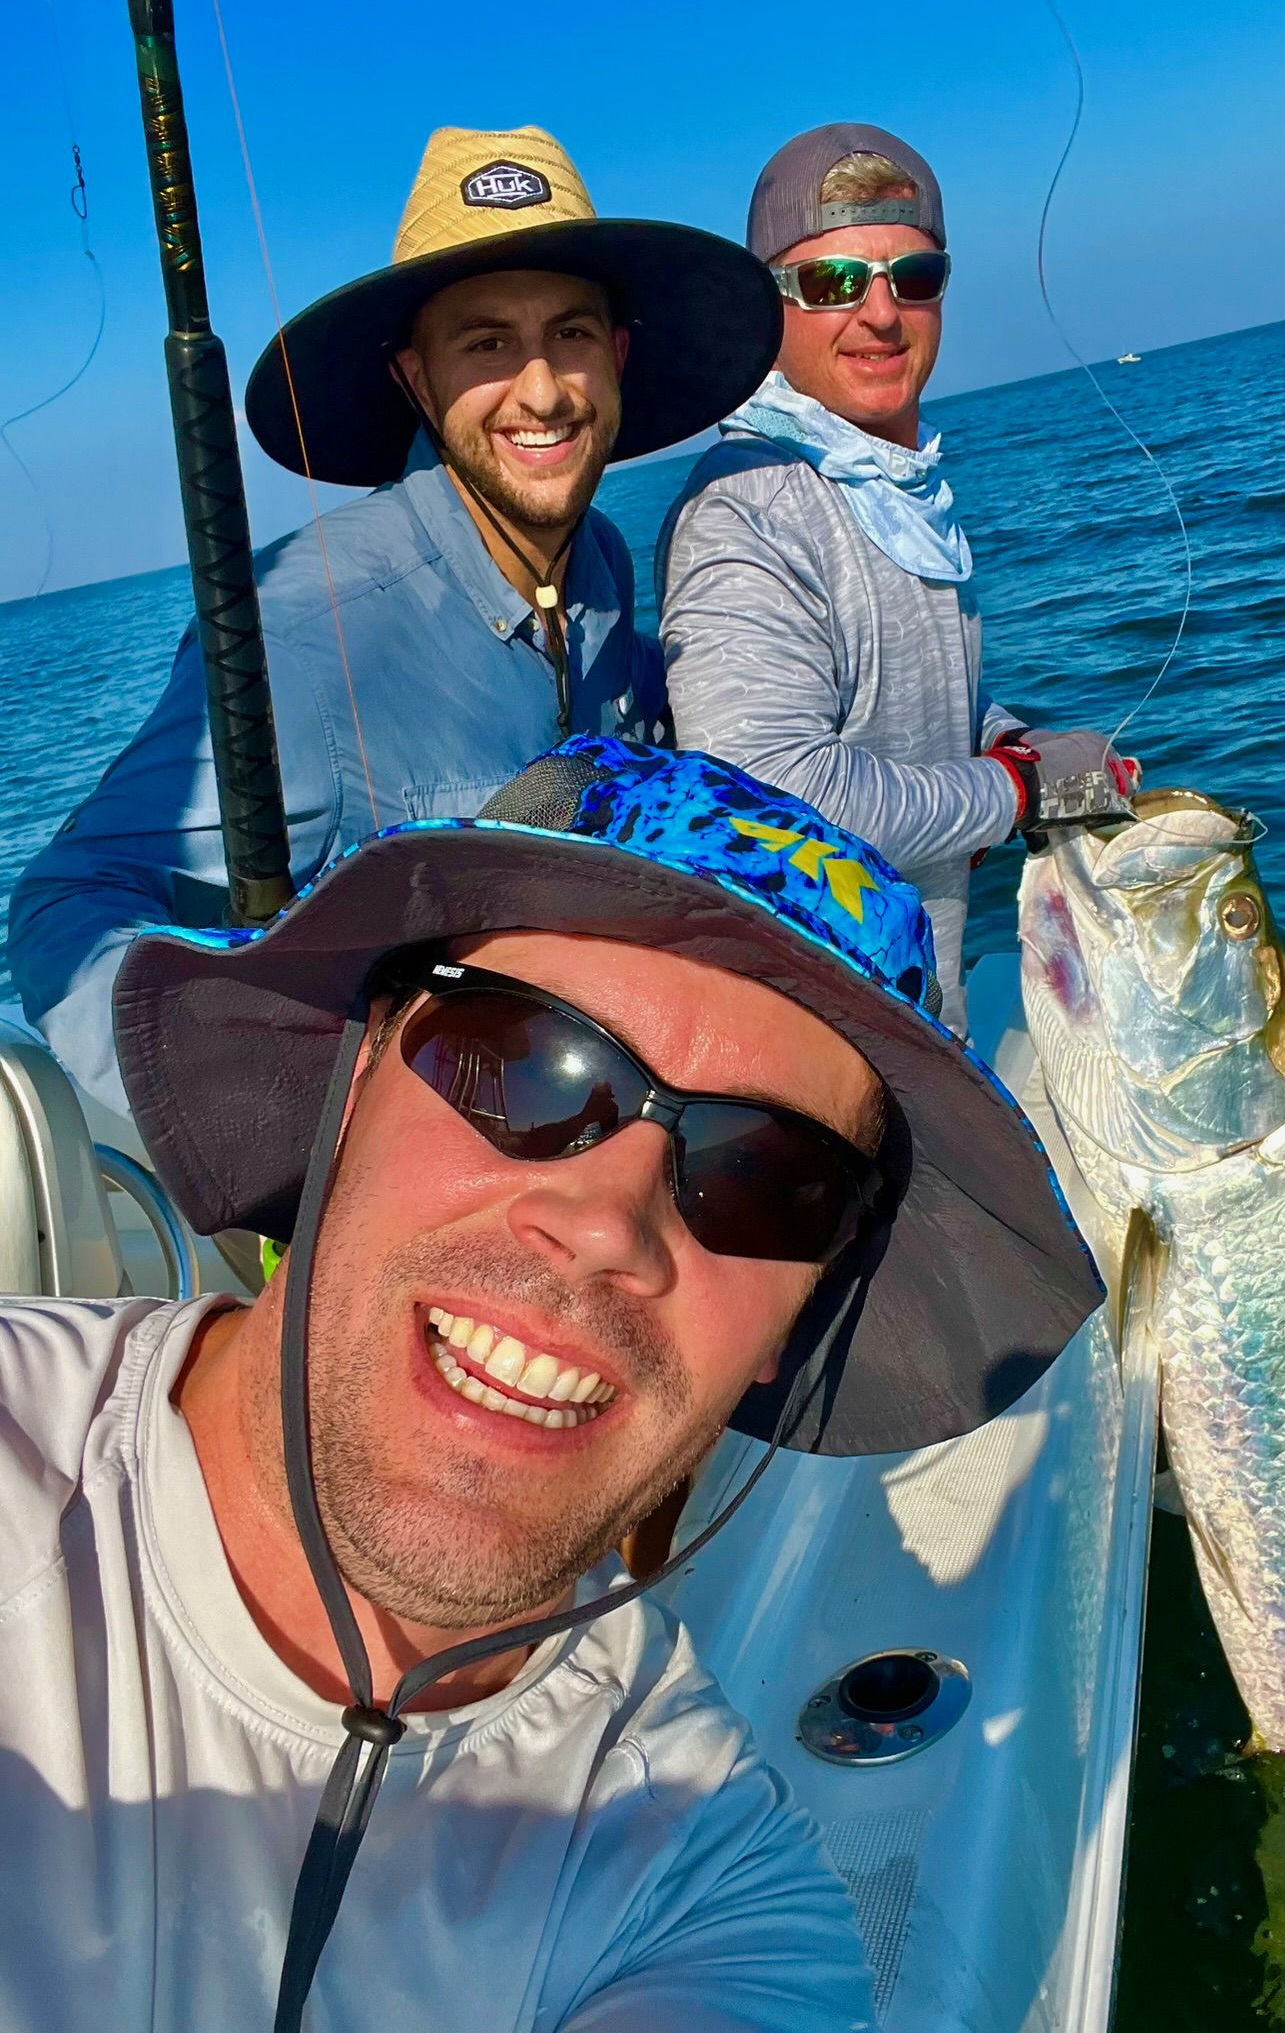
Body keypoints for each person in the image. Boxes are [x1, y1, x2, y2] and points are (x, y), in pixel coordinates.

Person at [0, 735, 1101, 2030]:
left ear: (795, 1324)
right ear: (356, 1079)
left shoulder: (708, 1883)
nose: (607, 1224)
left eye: (762, 1176)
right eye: (520, 1064)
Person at [7, 124, 780, 1111]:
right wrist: (279, 1114)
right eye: (488, 342)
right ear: (418, 378)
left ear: (617, 357)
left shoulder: (601, 571)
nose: (541, 388)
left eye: (571, 335)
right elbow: (64, 906)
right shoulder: (300, 630)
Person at [658, 123, 1138, 1028]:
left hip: (921, 1020)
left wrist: (1014, 741)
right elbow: (774, 798)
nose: (880, 313)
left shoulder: (891, 487)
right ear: (767, 310)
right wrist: (1021, 792)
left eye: (912, 278)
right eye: (833, 282)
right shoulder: (746, 511)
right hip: (822, 1054)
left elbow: (890, 707)